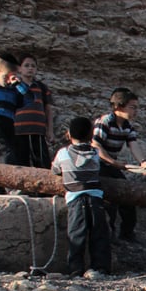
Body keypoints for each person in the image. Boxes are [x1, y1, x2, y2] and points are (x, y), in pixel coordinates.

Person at [51, 116, 111, 278]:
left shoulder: (63, 153)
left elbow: (55, 170)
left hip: (75, 199)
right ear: (91, 136)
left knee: (76, 233)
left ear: (69, 135)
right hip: (95, 198)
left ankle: (75, 269)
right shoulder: (95, 153)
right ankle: (100, 267)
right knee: (99, 233)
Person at [93, 88, 146, 243]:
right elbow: (96, 146)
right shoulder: (104, 122)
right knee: (110, 200)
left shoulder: (127, 126)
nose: (135, 111)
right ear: (119, 106)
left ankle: (127, 233)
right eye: (132, 107)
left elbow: (133, 145)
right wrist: (113, 163)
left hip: (111, 165)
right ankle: (109, 235)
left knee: (127, 196)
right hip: (97, 166)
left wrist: (143, 163)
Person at [13, 53, 55, 168]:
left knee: (42, 164)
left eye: (33, 66)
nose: (30, 68)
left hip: (38, 131)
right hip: (19, 131)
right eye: (26, 65)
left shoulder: (41, 87)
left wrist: (50, 130)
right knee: (20, 164)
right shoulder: (14, 87)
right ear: (19, 69)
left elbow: (48, 109)